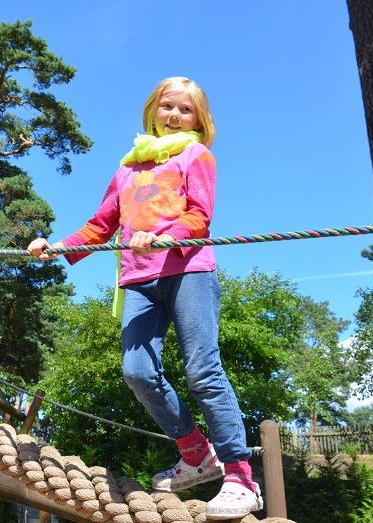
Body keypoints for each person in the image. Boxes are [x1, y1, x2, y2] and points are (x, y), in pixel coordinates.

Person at [27, 77, 262, 519]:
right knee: (137, 372)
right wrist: (57, 247)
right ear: (153, 110)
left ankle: (240, 477)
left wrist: (168, 235)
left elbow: (199, 215)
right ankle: (196, 453)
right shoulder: (128, 169)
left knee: (202, 371)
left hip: (188, 269)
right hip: (138, 278)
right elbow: (101, 224)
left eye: (186, 110)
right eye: (167, 106)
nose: (175, 115)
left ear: (199, 119)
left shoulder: (196, 155)